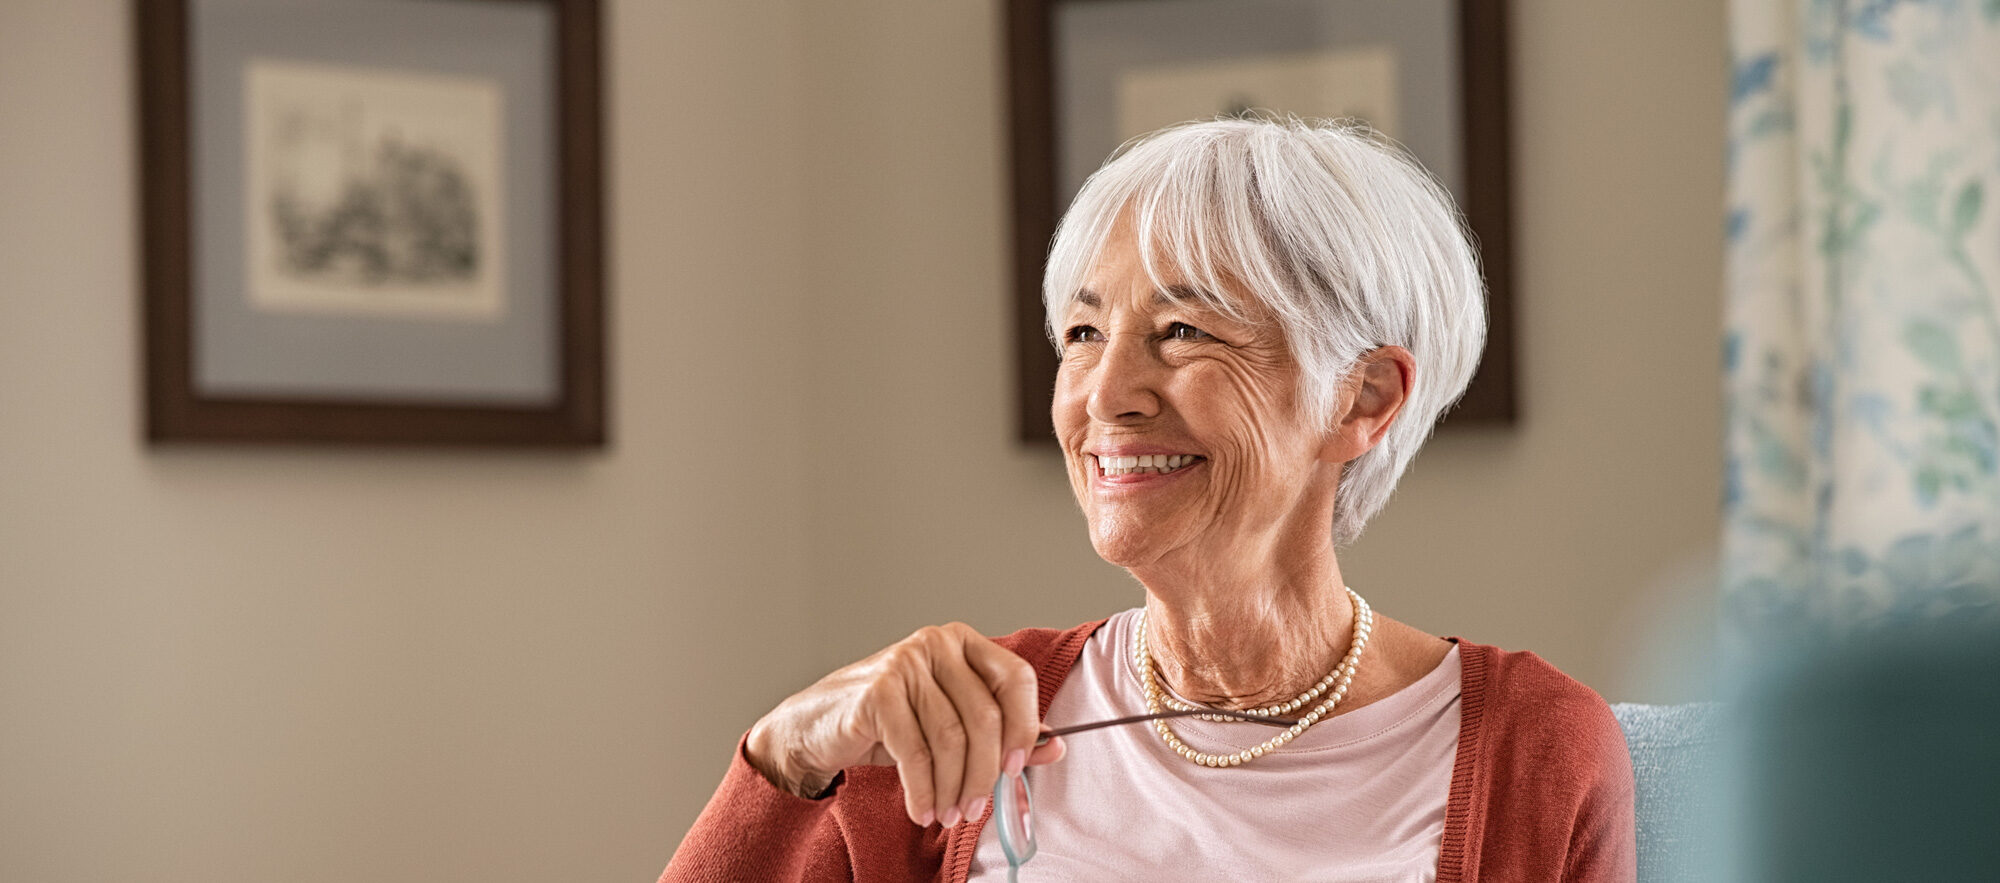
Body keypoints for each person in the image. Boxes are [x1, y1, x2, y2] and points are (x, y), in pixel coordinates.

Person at [662, 117, 1635, 882]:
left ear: (1362, 396)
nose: (1106, 395)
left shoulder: (1534, 748)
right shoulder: (950, 723)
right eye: (1083, 333)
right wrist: (785, 750)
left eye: (1179, 330)